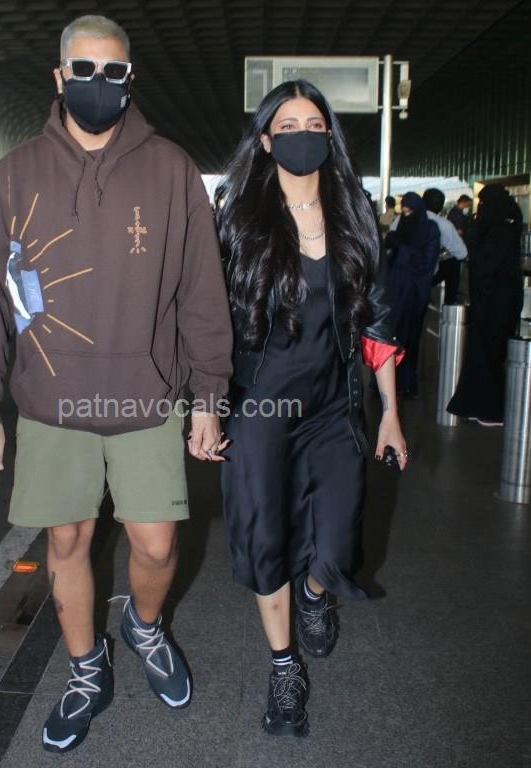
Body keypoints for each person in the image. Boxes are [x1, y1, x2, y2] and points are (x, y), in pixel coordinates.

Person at [0, 15, 232, 755]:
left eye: (112, 72)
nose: (97, 83)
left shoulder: (171, 168)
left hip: (147, 394)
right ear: (59, 76)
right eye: (83, 70)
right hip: (51, 399)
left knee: (156, 544)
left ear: (129, 79)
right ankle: (86, 668)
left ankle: (144, 627)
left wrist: (208, 399)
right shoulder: (16, 171)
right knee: (68, 539)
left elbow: (201, 295)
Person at [216, 79, 407, 738]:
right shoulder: (239, 220)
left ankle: (316, 592)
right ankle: (282, 667)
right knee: (266, 538)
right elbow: (210, 321)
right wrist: (207, 407)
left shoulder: (354, 215)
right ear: (266, 141)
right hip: (260, 408)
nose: (303, 135)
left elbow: (377, 321)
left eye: (315, 125)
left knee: (338, 536)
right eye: (288, 125)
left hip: (332, 406)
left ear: (330, 137)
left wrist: (389, 412)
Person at [448, 185, 523, 425]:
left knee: (491, 352)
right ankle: (475, 403)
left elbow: (486, 263)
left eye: (483, 204)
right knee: (482, 351)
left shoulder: (503, 230)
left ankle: (491, 409)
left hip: (498, 303)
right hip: (490, 300)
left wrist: (472, 235)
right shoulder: (500, 226)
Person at [385, 192, 441, 397]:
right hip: (396, 289)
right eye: (404, 211)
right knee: (391, 335)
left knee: (410, 336)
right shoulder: (401, 226)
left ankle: (407, 381)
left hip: (415, 291)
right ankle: (388, 381)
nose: (406, 215)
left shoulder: (431, 230)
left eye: (410, 212)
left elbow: (426, 262)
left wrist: (402, 248)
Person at [389, 188, 467, 305]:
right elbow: (462, 253)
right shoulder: (443, 224)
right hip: (423, 276)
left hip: (397, 272)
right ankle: (449, 304)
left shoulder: (402, 218)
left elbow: (391, 238)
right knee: (453, 263)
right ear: (441, 206)